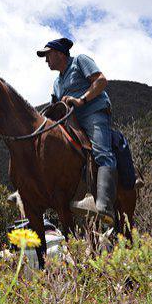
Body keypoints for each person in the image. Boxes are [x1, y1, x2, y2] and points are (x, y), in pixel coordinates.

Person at [37, 38, 117, 225]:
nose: (46, 60)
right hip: (69, 121)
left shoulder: (80, 61)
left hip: (93, 112)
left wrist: (81, 99)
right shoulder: (56, 83)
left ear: (59, 53)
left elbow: (101, 81)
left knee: (102, 152)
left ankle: (105, 207)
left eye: (47, 55)